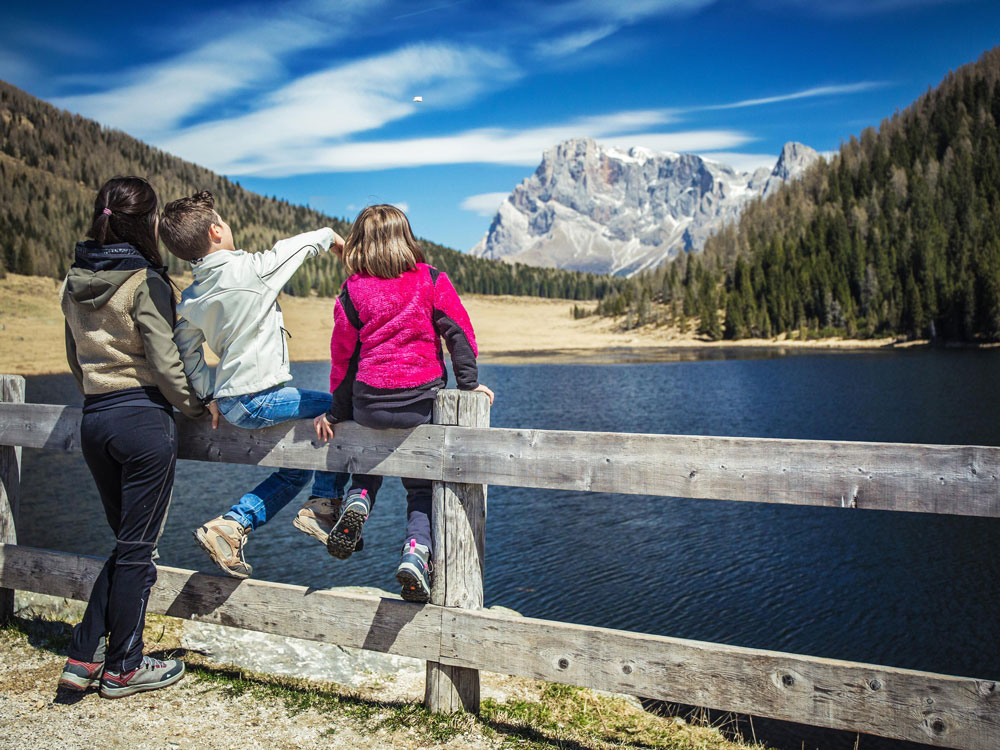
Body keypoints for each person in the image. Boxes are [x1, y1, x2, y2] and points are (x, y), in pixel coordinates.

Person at [59, 176, 213, 697]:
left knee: (129, 544)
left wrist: (99, 396)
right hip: (142, 421)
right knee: (136, 549)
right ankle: (124, 666)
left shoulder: (74, 279)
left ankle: (84, 655)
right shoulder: (146, 281)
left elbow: (74, 360)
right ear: (148, 223)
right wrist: (196, 407)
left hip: (95, 418)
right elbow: (167, 364)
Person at [159, 191, 352, 579]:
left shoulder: (193, 296)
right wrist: (341, 247)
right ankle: (324, 504)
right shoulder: (254, 270)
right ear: (216, 231)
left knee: (296, 469)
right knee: (338, 410)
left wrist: (207, 395)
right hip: (259, 399)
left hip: (233, 404)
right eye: (224, 222)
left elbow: (185, 349)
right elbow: (308, 241)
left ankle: (230, 527)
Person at [313, 204, 494, 602]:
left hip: (369, 403)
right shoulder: (430, 280)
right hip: (420, 402)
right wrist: (470, 385)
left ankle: (359, 499)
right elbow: (459, 333)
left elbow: (343, 358)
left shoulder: (351, 291)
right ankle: (416, 553)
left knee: (369, 461)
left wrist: (336, 411)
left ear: (358, 244)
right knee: (421, 490)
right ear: (406, 240)